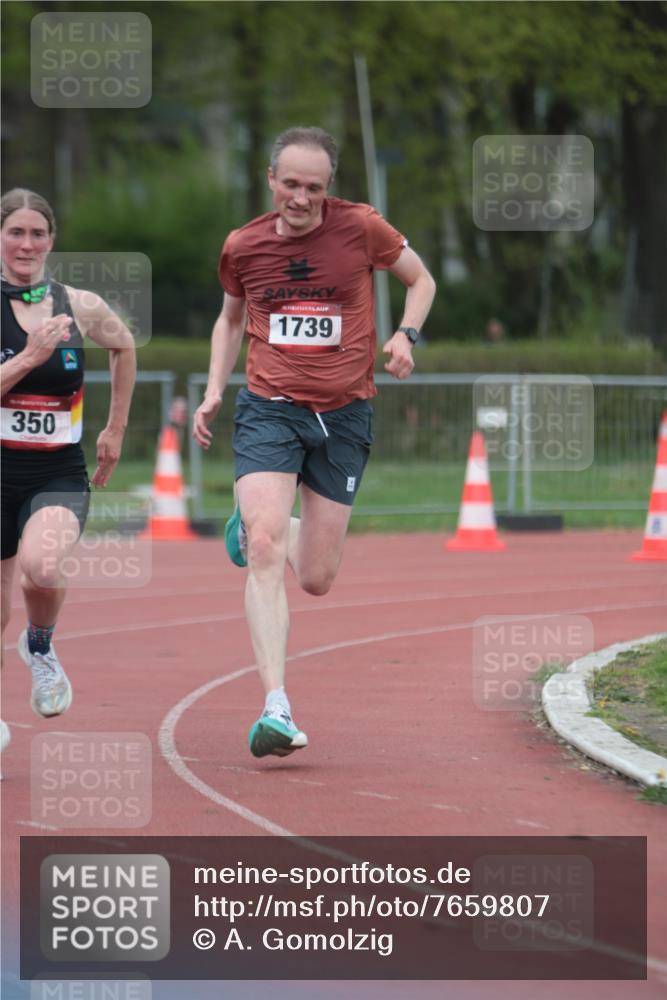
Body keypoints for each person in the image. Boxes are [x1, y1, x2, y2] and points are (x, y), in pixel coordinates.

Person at [193, 127, 435, 759]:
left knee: (319, 577)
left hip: (346, 415)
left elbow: (422, 280)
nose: (301, 199)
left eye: (315, 188)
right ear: (271, 179)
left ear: (330, 189)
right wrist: (215, 389)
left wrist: (407, 335)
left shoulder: (361, 228)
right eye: (291, 185)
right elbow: (228, 320)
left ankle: (252, 530)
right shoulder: (242, 245)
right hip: (269, 408)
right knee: (267, 543)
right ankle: (276, 706)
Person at [0, 189, 136, 740]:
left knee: (44, 565)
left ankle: (40, 645)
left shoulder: (79, 305)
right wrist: (30, 357)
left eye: (37, 233)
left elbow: (124, 347)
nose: (26, 243)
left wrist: (114, 428)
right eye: (15, 232)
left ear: (51, 241)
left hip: (55, 472)